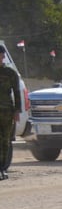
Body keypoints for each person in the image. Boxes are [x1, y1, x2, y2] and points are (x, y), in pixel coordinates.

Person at [0, 50, 22, 180]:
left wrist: (17, 111)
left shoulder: (10, 73)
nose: (2, 57)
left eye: (2, 55)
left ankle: (3, 168)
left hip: (7, 112)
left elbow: (17, 92)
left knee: (5, 141)